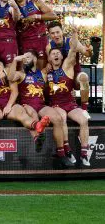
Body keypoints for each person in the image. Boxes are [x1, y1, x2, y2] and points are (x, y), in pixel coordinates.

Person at [0, 48, 50, 169]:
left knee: (22, 114)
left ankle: (37, 126)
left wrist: (9, 105)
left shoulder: (6, 71)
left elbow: (15, 91)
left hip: (10, 104)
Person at [8, 50, 74, 167]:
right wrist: (15, 60)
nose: (25, 59)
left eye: (27, 57)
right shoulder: (21, 74)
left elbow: (57, 76)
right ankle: (38, 139)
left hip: (41, 105)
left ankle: (61, 154)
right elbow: (11, 76)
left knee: (58, 119)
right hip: (26, 105)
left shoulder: (43, 74)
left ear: (34, 59)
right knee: (32, 114)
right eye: (24, 58)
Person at [47, 27, 90, 166]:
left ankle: (84, 154)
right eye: (52, 54)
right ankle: (67, 150)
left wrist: (75, 33)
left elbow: (73, 50)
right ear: (49, 58)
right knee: (62, 118)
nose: (55, 55)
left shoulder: (66, 66)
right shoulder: (45, 71)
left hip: (70, 101)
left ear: (61, 56)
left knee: (83, 120)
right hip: (56, 104)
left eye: (58, 54)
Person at [46, 22, 92, 118]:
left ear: (62, 31)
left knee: (84, 77)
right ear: (49, 34)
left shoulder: (71, 42)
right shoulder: (49, 47)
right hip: (60, 77)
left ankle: (84, 110)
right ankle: (50, 105)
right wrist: (47, 64)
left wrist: (89, 50)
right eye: (52, 33)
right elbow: (49, 62)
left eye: (57, 32)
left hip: (74, 74)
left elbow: (87, 54)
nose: (55, 35)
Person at [13, 0, 58, 69]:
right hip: (25, 42)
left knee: (42, 72)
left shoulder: (35, 2)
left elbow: (53, 15)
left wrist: (36, 16)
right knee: (26, 73)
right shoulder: (13, 8)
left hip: (40, 40)